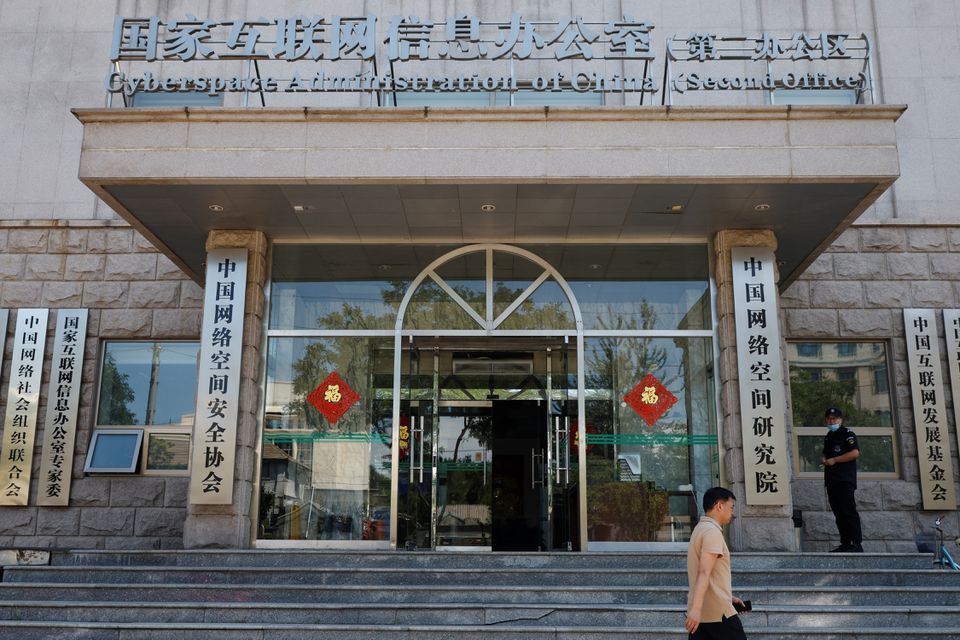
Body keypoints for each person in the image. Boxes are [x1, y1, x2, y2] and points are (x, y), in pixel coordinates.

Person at [685, 486, 748, 640]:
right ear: (719, 506)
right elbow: (704, 572)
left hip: (704, 613)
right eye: (731, 507)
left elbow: (709, 573)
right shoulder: (712, 532)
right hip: (718, 613)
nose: (732, 512)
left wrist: (728, 596)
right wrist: (696, 609)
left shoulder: (700, 529)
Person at [821, 407, 863, 552]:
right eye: (829, 419)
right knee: (838, 513)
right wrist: (825, 459)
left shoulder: (848, 434)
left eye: (834, 419)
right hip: (832, 480)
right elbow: (826, 454)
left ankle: (856, 543)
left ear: (840, 420)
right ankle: (845, 542)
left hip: (845, 480)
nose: (831, 421)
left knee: (848, 511)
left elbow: (855, 453)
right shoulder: (828, 436)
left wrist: (835, 460)